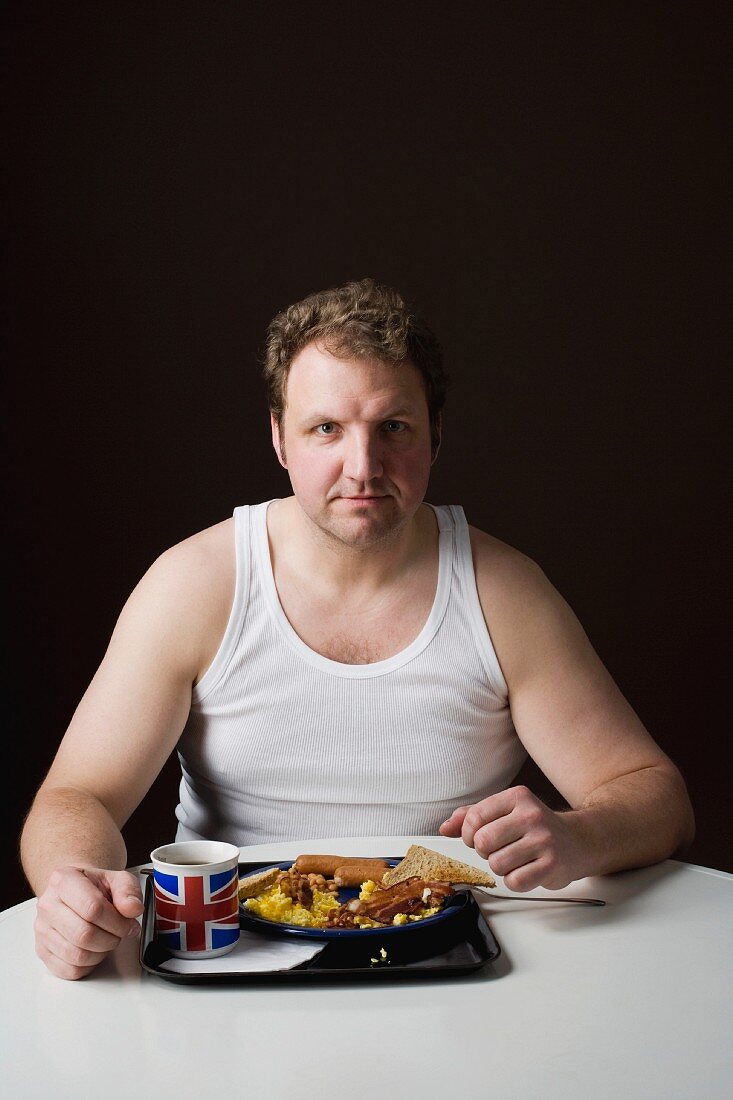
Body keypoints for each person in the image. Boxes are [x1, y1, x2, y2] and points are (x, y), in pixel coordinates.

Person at [20, 278, 694, 979]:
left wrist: (579, 835)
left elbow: (655, 796)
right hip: (230, 949)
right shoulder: (195, 583)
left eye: (393, 428)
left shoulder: (505, 591)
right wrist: (75, 885)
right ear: (280, 438)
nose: (362, 467)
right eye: (326, 429)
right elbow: (79, 795)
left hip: (449, 954)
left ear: (435, 436)